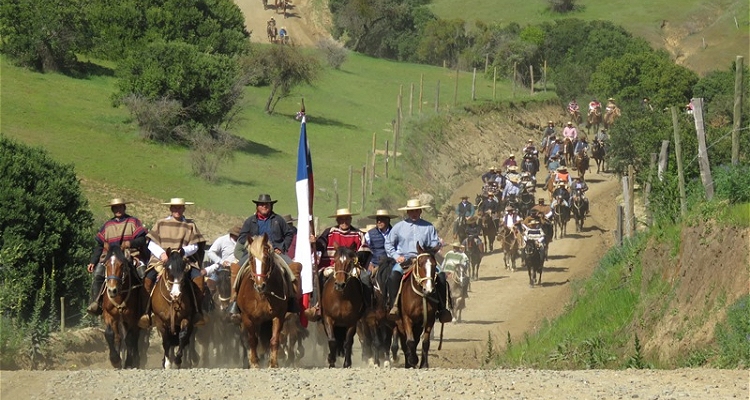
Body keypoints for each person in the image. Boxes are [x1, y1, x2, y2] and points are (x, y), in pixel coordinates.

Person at [139, 198, 207, 328]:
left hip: (184, 260)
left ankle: (197, 312)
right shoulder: (161, 223)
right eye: (175, 208)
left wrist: (183, 252)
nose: (177, 210)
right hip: (162, 259)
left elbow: (195, 246)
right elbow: (151, 243)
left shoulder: (190, 225)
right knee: (147, 280)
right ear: (170, 209)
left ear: (184, 209)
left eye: (180, 208)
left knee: (199, 280)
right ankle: (147, 312)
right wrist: (162, 254)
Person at [229, 194, 298, 317]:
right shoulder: (250, 221)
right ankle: (234, 299)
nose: (264, 206)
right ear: (257, 206)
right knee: (235, 268)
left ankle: (292, 299)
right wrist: (252, 245)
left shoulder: (278, 220)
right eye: (261, 204)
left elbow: (289, 234)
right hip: (255, 253)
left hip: (274, 252)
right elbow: (242, 236)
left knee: (293, 268)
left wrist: (281, 247)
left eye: (267, 204)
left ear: (271, 206)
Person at [384, 199, 451, 323]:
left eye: (416, 210)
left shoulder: (428, 227)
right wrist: (396, 256)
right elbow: (388, 244)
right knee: (393, 276)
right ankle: (394, 306)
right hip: (405, 260)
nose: (414, 213)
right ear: (407, 212)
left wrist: (431, 250)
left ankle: (442, 309)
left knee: (441, 276)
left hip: (424, 260)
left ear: (420, 211)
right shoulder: (399, 227)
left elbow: (434, 242)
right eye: (411, 211)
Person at [86, 198, 149, 316]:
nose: (118, 210)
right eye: (115, 208)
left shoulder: (133, 222)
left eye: (120, 207)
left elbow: (142, 239)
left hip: (130, 254)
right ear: (112, 209)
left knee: (143, 274)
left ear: (124, 208)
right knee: (98, 273)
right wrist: (93, 262)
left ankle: (145, 307)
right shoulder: (107, 225)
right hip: (109, 257)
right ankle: (96, 303)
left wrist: (129, 244)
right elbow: (100, 245)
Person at [311, 208, 371, 316]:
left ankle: (367, 307)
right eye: (341, 220)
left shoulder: (358, 234)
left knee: (366, 277)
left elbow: (364, 251)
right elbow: (320, 245)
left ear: (351, 219)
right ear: (337, 220)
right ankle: (317, 306)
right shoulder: (330, 232)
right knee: (318, 277)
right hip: (332, 266)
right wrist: (314, 242)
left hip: (351, 266)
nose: (344, 222)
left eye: (347, 219)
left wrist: (353, 259)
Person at [203, 225, 240, 299]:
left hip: (237, 268)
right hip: (222, 268)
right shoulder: (222, 240)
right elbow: (211, 252)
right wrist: (221, 261)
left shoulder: (243, 242)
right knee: (211, 285)